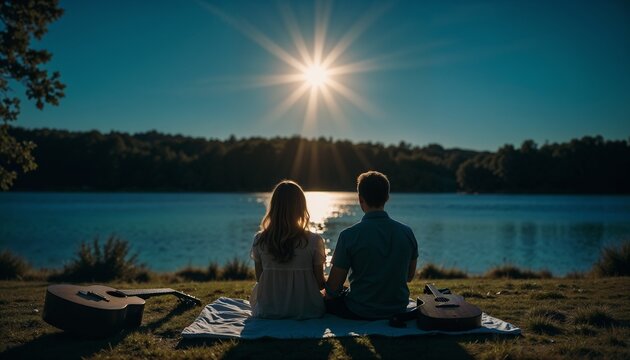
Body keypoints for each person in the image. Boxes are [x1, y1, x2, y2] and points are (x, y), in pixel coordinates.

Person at [324, 171, 418, 320]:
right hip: (398, 307)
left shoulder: (349, 235)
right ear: (387, 197)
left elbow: (334, 288)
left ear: (360, 199)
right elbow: (409, 277)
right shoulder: (407, 232)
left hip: (361, 309)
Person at [250, 180, 326, 319]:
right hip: (307, 309)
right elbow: (320, 284)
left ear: (273, 208)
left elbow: (260, 278)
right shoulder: (314, 240)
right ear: (301, 208)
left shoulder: (259, 240)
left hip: (269, 309)